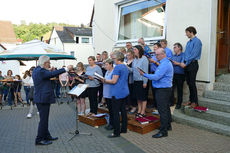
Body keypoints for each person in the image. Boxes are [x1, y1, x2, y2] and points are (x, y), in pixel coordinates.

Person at [32, 55, 68, 145]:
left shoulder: (37, 69)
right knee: (43, 120)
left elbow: (47, 74)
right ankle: (39, 139)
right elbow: (50, 74)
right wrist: (65, 69)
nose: (50, 64)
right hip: (43, 99)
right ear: (45, 63)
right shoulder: (41, 71)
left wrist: (50, 70)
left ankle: (46, 135)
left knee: (44, 119)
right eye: (49, 62)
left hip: (41, 98)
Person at [138, 48, 173, 138]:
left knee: (162, 111)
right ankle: (167, 126)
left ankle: (163, 131)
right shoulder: (164, 63)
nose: (156, 56)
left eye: (157, 55)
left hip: (163, 90)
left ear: (163, 54)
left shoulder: (165, 64)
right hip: (165, 89)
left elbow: (156, 77)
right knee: (166, 109)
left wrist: (144, 74)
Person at [102, 51, 129, 138]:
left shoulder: (117, 68)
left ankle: (116, 132)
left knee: (116, 113)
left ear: (117, 59)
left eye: (114, 58)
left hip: (117, 92)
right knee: (123, 111)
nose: (113, 60)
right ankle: (124, 128)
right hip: (124, 91)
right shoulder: (125, 67)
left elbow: (113, 81)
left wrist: (104, 80)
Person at [181, 26, 202, 108]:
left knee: (192, 83)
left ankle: (195, 102)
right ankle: (190, 100)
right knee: (189, 83)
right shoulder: (188, 42)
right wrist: (183, 61)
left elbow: (194, 55)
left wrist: (186, 63)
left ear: (191, 32)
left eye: (187, 32)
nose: (186, 34)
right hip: (187, 64)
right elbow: (186, 53)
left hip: (192, 64)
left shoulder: (197, 41)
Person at [132, 45, 149, 118]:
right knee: (138, 97)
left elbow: (145, 71)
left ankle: (143, 111)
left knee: (143, 97)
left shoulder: (144, 58)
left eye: (135, 49)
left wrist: (145, 82)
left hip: (142, 81)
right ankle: (139, 110)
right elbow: (132, 70)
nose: (133, 51)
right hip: (135, 80)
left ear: (139, 50)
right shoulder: (134, 59)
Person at [171, 43, 185, 109]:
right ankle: (171, 102)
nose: (174, 48)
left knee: (179, 90)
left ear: (179, 48)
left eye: (175, 47)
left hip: (180, 75)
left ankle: (179, 103)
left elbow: (183, 64)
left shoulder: (183, 55)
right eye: (174, 47)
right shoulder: (173, 56)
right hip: (173, 74)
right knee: (171, 89)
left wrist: (177, 63)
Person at [102, 59, 114, 130]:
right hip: (106, 92)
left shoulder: (113, 71)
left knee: (112, 110)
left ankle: (112, 124)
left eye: (106, 65)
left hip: (111, 93)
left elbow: (113, 81)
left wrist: (105, 80)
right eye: (105, 65)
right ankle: (110, 123)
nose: (105, 66)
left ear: (111, 64)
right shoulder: (107, 72)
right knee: (109, 110)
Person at [126, 50, 137, 114]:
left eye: (129, 55)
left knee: (132, 93)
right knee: (127, 94)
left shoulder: (134, 61)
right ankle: (128, 105)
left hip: (131, 80)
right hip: (126, 79)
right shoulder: (126, 61)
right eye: (127, 55)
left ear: (132, 55)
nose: (128, 56)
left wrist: (126, 66)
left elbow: (133, 71)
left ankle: (134, 106)